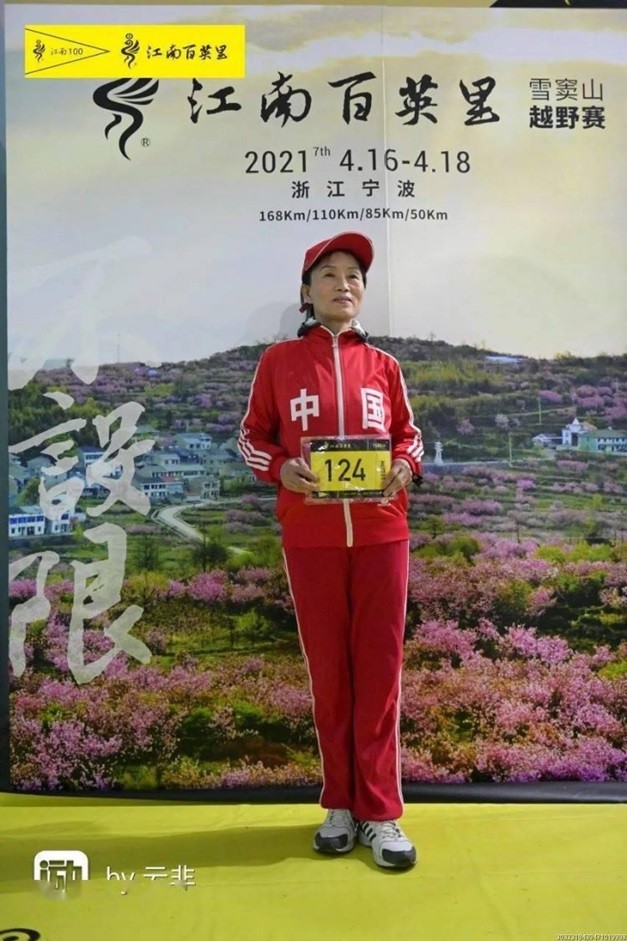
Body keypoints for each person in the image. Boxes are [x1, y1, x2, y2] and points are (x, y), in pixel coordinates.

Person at [238, 232, 423, 869]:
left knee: (379, 673)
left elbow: (409, 436)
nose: (343, 284)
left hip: (382, 533)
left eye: (354, 276)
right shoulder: (278, 362)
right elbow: (252, 437)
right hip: (311, 537)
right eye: (329, 274)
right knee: (330, 674)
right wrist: (281, 468)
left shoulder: (385, 367)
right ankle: (339, 804)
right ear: (307, 291)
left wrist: (404, 464)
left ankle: (381, 814)